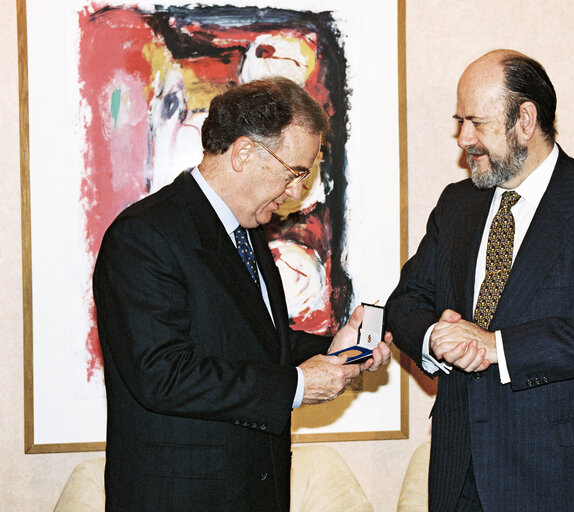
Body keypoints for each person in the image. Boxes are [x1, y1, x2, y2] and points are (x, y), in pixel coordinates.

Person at [93, 76, 391, 512]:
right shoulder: (144, 236)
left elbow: (258, 346)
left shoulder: (246, 232)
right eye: (295, 173)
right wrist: (297, 385)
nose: (296, 192)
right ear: (245, 152)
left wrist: (333, 348)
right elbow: (163, 374)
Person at [386, 50, 574, 511]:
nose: (464, 139)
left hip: (566, 479)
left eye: (477, 123)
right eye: (460, 121)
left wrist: (497, 346)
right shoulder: (457, 203)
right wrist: (435, 337)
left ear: (525, 120)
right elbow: (406, 301)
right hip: (460, 473)